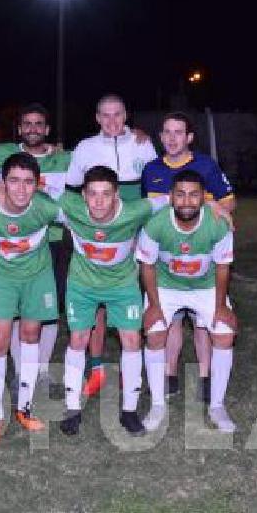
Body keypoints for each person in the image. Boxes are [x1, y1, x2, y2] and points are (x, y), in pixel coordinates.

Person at [58, 166, 167, 437]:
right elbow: (30, 193)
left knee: (131, 340)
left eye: (106, 194)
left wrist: (216, 206)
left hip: (122, 285)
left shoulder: (135, 210)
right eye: (92, 194)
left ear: (117, 195)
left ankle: (129, 411)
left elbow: (174, 197)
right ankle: (72, 408)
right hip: (82, 284)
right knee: (78, 339)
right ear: (82, 195)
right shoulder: (69, 205)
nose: (98, 201)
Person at [65, 94, 159, 398]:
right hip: (99, 227)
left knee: (131, 292)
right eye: (105, 115)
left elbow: (156, 187)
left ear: (126, 115)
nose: (112, 121)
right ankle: (96, 367)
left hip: (135, 225)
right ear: (96, 117)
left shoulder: (143, 143)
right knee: (96, 307)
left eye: (117, 114)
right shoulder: (85, 148)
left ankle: (134, 372)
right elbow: (69, 188)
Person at [0, 153, 61, 444]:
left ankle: (25, 406)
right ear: (2, 182)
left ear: (37, 184)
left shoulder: (46, 207)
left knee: (31, 335)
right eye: (14, 181)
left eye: (29, 182)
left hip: (37, 276)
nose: (21, 189)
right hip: (2, 278)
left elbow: (86, 213)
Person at [140, 111, 235, 402]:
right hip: (164, 254)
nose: (172, 138)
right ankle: (170, 373)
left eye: (178, 132)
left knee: (203, 323)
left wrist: (218, 208)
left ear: (190, 137)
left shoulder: (205, 165)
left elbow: (228, 200)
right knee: (172, 321)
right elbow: (148, 209)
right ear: (160, 137)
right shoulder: (151, 168)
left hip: (199, 253)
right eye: (166, 132)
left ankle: (205, 374)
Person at [137, 169, 238, 432]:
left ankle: (217, 405)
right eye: (180, 195)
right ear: (170, 197)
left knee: (224, 333)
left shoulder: (218, 223)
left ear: (204, 198)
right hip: (166, 286)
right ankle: (157, 404)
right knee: (155, 332)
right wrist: (155, 307)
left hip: (204, 287)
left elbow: (223, 267)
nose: (186, 201)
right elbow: (147, 266)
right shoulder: (156, 223)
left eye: (194, 195)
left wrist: (220, 307)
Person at [0, 103, 71, 388]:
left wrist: (132, 132)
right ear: (20, 128)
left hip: (53, 242)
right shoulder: (3, 155)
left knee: (47, 312)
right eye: (27, 124)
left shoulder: (66, 158)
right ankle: (18, 369)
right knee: (13, 312)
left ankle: (42, 369)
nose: (33, 129)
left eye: (39, 124)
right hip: (11, 244)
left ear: (47, 130)